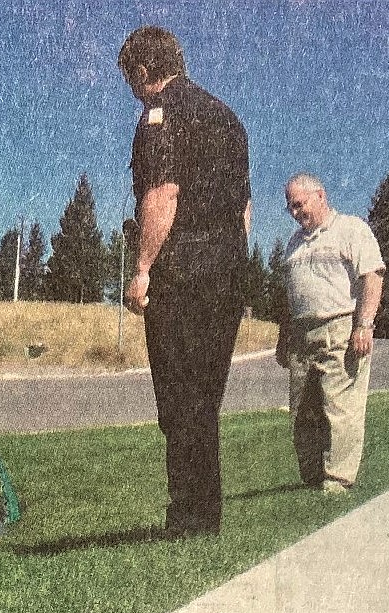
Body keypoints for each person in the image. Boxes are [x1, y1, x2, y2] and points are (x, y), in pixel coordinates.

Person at [118, 26, 251, 536]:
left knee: (178, 398)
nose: (132, 89)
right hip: (227, 268)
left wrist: (143, 269)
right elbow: (243, 209)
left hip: (182, 271)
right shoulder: (228, 117)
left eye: (131, 79)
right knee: (205, 397)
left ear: (144, 71)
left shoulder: (159, 113)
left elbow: (162, 195)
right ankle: (203, 515)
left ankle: (189, 518)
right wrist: (234, 268)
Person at [275, 173, 384, 495]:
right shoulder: (295, 242)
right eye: (290, 208)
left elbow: (372, 276)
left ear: (320, 196)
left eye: (299, 205)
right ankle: (311, 480)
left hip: (341, 327)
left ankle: (337, 481)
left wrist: (363, 325)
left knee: (341, 408)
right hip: (300, 333)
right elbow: (289, 294)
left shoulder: (351, 229)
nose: (295, 212)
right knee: (302, 412)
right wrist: (284, 337)